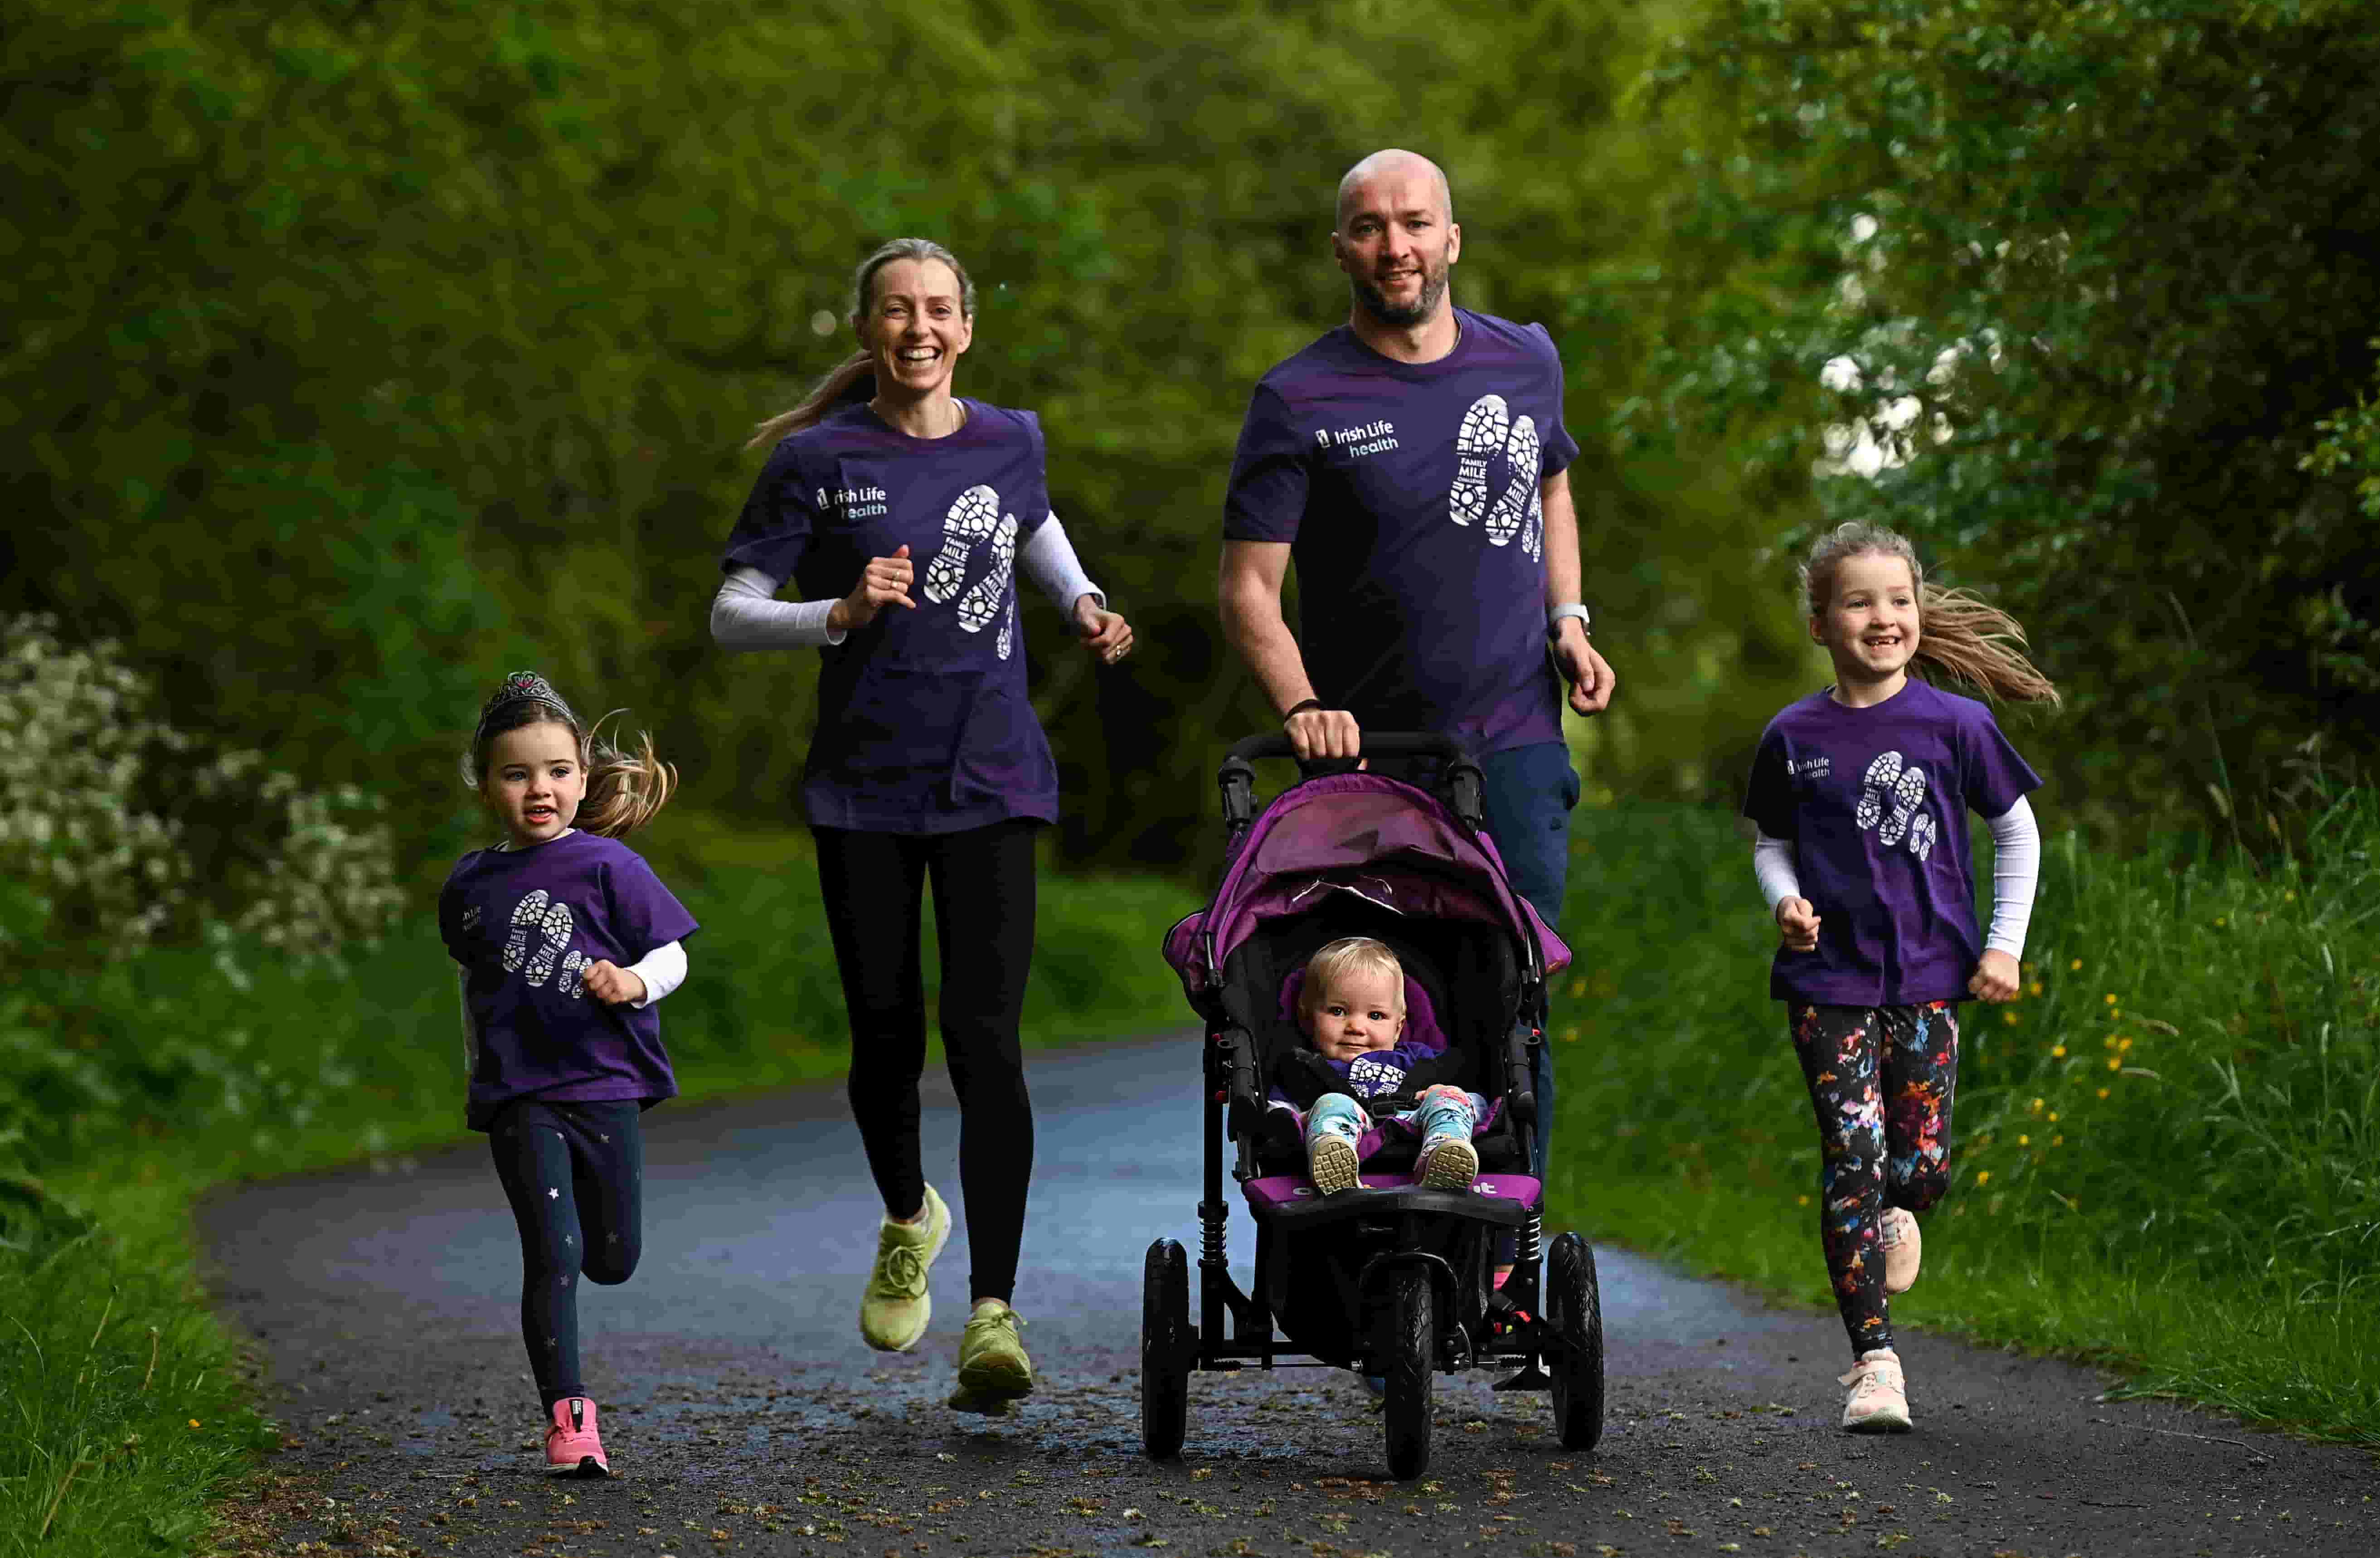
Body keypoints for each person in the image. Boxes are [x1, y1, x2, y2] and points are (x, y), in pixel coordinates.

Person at [711, 237, 1134, 1414]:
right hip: (864, 786)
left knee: (986, 1042)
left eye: (937, 310)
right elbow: (730, 612)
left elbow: (1027, 523)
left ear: (964, 326)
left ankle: (992, 1315)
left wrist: (1082, 602)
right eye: (896, 311)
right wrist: (834, 613)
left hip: (993, 775)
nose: (917, 329)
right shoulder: (815, 459)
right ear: (866, 331)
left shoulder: (1012, 436)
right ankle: (909, 1215)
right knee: (884, 1033)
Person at [1218, 148, 1615, 1183]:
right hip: (1362, 767)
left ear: (1449, 238)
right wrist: (1301, 703)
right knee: (1345, 1009)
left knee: (1514, 1005)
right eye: (1368, 226)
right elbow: (1248, 589)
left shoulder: (1524, 360)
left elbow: (1549, 487)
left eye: (1413, 222)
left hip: (1514, 745)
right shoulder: (1295, 395)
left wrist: (1565, 616)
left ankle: (1503, 1259)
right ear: (1340, 247)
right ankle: (1349, 1249)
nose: (1393, 245)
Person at [1741, 521, 2057, 1434]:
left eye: (1898, 600)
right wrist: (1785, 899)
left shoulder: (1957, 725)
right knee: (1851, 1155)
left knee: (1919, 1159)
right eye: (1858, 601)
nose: (1882, 617)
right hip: (1825, 977)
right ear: (1819, 624)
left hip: (1929, 973)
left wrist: (2001, 946)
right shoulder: (1790, 735)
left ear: (1917, 613)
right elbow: (1772, 841)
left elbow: (2016, 832)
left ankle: (1906, 1203)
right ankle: (1873, 1362)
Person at [438, 670, 695, 1475]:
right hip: (521, 1094)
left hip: (605, 1084)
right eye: (516, 773)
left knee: (611, 1254)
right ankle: (569, 1419)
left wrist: (633, 981)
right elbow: (470, 986)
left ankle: (595, 1233)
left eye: (556, 771)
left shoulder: (609, 867)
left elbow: (673, 954)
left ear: (584, 778)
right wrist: (480, 1076)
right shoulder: (470, 884)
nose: (538, 789)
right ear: (486, 784)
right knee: (551, 1253)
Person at [1274, 937, 1487, 1194]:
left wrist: (1441, 1094)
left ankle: (1442, 1153)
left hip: (1415, 1125)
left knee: (1449, 1098)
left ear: (1398, 1027)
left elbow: (1477, 1103)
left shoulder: (1421, 1060)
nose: (1356, 1027)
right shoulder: (1305, 1067)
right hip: (1348, 1127)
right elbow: (1278, 1112)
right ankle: (1335, 1159)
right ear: (1307, 1019)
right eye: (1338, 1012)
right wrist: (1301, 1119)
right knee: (1332, 1104)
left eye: (1375, 1016)